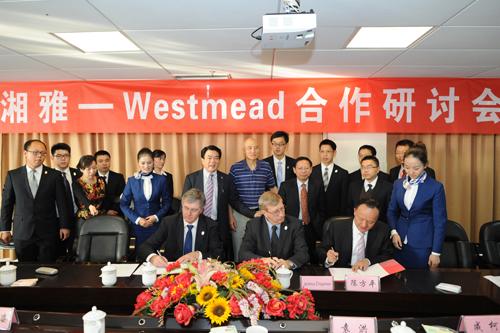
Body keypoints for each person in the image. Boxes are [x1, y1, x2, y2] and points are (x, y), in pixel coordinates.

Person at [0, 139, 71, 262]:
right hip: (23, 231)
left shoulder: (54, 175)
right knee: (25, 270)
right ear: (25, 153)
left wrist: (64, 225)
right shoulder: (14, 175)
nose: (39, 156)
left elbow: (62, 203)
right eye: (35, 152)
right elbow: (7, 204)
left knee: (48, 269)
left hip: (48, 231)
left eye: (43, 153)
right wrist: (4, 229)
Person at [182, 145, 254, 261]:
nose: (212, 161)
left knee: (220, 260)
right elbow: (184, 204)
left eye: (216, 158)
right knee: (198, 259)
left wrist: (253, 214)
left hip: (219, 226)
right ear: (202, 160)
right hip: (198, 224)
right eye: (209, 157)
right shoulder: (192, 178)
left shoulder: (226, 179)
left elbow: (235, 201)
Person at [387, 148, 447, 269]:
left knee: (420, 282)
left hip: (422, 242)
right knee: (399, 281)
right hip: (399, 241)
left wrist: (436, 252)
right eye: (407, 167)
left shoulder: (435, 187)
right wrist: (393, 232)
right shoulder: (398, 184)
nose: (411, 172)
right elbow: (392, 211)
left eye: (416, 168)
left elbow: (440, 222)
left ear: (425, 165)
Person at [137, 188, 223, 266]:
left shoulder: (211, 225)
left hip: (200, 271)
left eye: (194, 210)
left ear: (201, 210)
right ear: (181, 206)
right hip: (173, 270)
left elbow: (219, 254)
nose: (189, 213)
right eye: (186, 208)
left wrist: (198, 255)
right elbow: (145, 246)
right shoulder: (169, 222)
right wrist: (153, 257)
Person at [229, 137, 276, 261]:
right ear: (244, 150)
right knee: (239, 248)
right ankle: (239, 276)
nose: (253, 151)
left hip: (261, 213)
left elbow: (273, 189)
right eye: (249, 148)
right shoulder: (235, 168)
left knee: (260, 247)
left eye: (255, 148)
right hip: (240, 213)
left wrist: (277, 207)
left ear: (259, 150)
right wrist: (230, 216)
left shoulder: (266, 166)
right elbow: (230, 196)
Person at [239, 191, 309, 269]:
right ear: (264, 213)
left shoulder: (295, 224)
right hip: (262, 273)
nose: (282, 214)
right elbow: (243, 253)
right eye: (276, 212)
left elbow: (303, 253)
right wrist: (262, 261)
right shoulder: (254, 225)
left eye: (282, 208)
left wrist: (288, 263)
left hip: (287, 274)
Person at [318, 198, 393, 271]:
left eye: (370, 222)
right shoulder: (336, 227)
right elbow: (322, 250)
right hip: (341, 272)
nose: (364, 225)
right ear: (354, 211)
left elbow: (387, 255)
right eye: (361, 219)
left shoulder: (383, 230)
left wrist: (368, 261)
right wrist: (328, 258)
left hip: (367, 273)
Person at [120, 148, 171, 249]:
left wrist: (156, 217)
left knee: (156, 254)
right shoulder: (132, 181)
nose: (146, 166)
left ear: (153, 162)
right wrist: (137, 219)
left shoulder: (162, 180)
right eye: (143, 163)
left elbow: (167, 202)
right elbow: (123, 204)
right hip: (139, 225)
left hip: (156, 224)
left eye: (149, 163)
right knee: (140, 253)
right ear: (138, 163)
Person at [278, 156, 325, 264]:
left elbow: (322, 208)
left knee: (311, 255)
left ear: (311, 169)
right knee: (291, 254)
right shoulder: (285, 185)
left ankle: (310, 278)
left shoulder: (317, 185)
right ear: (294, 170)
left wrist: (318, 223)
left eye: (306, 168)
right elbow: (281, 207)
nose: (303, 171)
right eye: (300, 168)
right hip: (291, 226)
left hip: (311, 226)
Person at [50, 142, 81, 257]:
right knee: (58, 254)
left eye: (66, 155)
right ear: (52, 157)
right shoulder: (48, 176)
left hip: (76, 218)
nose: (63, 158)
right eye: (59, 156)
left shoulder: (78, 174)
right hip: (56, 221)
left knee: (76, 253)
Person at [347, 156, 392, 223]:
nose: (365, 170)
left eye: (369, 167)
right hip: (358, 225)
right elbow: (349, 208)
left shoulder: (388, 187)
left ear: (378, 169)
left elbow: (389, 211)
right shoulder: (354, 186)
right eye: (363, 167)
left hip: (379, 226)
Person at [310, 139, 349, 218]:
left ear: (334, 153)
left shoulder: (343, 173)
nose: (325, 155)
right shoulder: (311, 171)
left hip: (335, 216)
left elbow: (344, 198)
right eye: (322, 151)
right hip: (315, 216)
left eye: (328, 151)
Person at [72, 155, 106, 236]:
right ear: (81, 169)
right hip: (85, 218)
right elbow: (81, 197)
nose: (92, 171)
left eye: (94, 168)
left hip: (102, 217)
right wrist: (90, 206)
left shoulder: (101, 180)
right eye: (88, 169)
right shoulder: (77, 183)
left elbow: (106, 197)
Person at [94, 150, 126, 216]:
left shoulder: (119, 177)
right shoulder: (92, 178)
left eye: (107, 160)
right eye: (100, 161)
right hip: (97, 215)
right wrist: (105, 211)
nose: (104, 163)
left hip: (116, 213)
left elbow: (123, 197)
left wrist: (114, 210)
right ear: (95, 163)